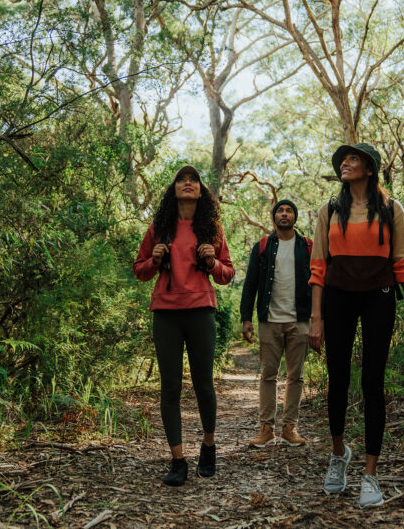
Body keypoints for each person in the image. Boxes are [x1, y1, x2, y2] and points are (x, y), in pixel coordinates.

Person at [307, 143, 404, 509]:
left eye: (353, 158)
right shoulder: (330, 210)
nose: (345, 162)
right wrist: (316, 316)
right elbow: (318, 267)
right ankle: (339, 454)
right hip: (338, 298)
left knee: (373, 381)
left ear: (370, 168)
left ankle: (370, 473)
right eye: (343, 159)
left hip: (379, 296)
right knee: (338, 377)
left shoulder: (391, 209)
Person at [133, 165, 234, 486]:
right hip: (165, 313)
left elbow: (227, 274)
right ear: (173, 189)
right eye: (181, 179)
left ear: (202, 190)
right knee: (171, 387)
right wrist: (155, 259)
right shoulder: (159, 227)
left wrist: (212, 260)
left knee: (204, 384)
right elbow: (140, 270)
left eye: (193, 180)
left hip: (201, 311)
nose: (187, 183)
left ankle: (208, 446)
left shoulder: (213, 229)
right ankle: (178, 460)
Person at [239, 199, 313, 448]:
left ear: (295, 216)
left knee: (296, 376)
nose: (284, 214)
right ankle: (266, 429)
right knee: (268, 375)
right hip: (269, 320)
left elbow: (319, 281)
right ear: (274, 217)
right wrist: (246, 318)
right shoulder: (262, 246)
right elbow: (250, 284)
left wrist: (319, 318)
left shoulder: (307, 246)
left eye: (289, 210)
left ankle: (289, 428)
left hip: (300, 320)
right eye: (280, 210)